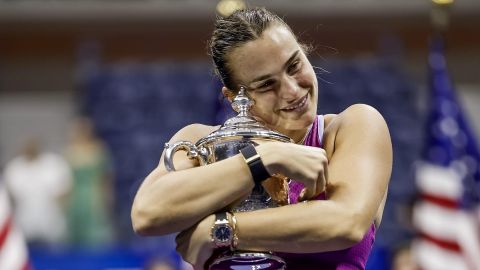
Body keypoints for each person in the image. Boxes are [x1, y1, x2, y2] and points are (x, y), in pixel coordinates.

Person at [131, 7, 392, 270]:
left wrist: (222, 228)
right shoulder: (203, 140)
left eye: (294, 65)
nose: (292, 91)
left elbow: (346, 222)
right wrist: (263, 160)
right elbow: (147, 214)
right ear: (233, 98)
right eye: (267, 85)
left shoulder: (353, 126)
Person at [3, 138, 72, 246]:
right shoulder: (14, 167)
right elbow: (9, 197)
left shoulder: (53, 164)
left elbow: (65, 191)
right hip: (24, 221)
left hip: (51, 221)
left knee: (55, 253)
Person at [65, 117, 114, 247]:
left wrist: (106, 198)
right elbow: (66, 179)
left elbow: (105, 178)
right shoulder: (69, 151)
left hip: (93, 195)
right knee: (75, 232)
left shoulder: (98, 149)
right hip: (76, 196)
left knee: (95, 233)